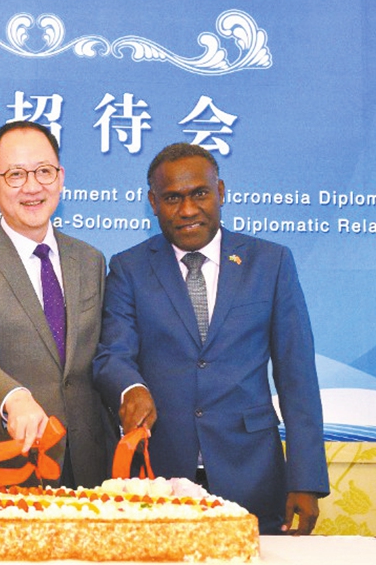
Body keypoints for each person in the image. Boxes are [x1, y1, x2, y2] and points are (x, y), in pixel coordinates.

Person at [93, 143, 329, 535]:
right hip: (159, 477)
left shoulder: (271, 263)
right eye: (172, 198)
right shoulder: (129, 268)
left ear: (220, 191)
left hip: (252, 474)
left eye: (199, 194)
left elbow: (297, 375)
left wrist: (305, 479)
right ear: (153, 202)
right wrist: (130, 388)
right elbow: (113, 353)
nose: (187, 210)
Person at [0, 121, 108, 488]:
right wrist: (13, 398)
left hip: (89, 464)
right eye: (15, 175)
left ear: (60, 178)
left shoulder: (91, 260)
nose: (33, 187)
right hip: (6, 461)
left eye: (44, 172)